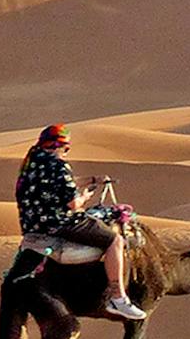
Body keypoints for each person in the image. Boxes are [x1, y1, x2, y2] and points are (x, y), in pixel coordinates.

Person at [15, 123, 146, 320]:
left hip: (32, 224)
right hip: (60, 223)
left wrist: (93, 179)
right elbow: (73, 204)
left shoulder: (32, 161)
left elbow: (62, 182)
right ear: (58, 146)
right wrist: (84, 197)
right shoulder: (58, 165)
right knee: (115, 241)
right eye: (66, 149)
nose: (66, 153)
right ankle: (118, 298)